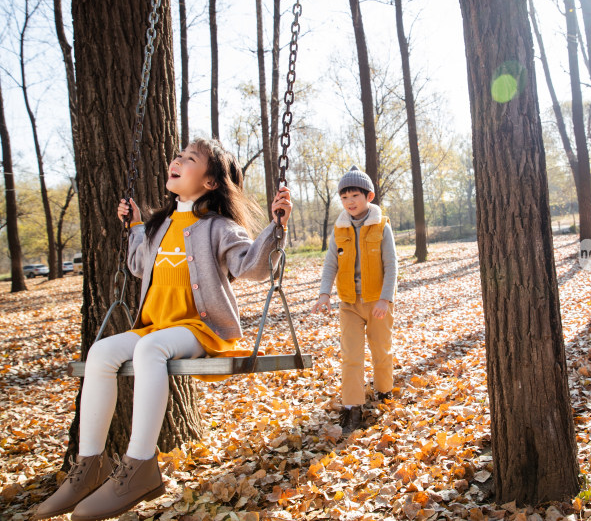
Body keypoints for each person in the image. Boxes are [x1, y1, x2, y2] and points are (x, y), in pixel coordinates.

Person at [34, 138, 292, 520]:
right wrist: (136, 225)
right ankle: (90, 465)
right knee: (100, 353)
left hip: (200, 328)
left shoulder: (219, 227)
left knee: (149, 349)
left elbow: (252, 267)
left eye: (191, 159)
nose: (178, 160)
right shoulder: (160, 224)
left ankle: (140, 465)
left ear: (210, 183)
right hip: (156, 326)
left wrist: (276, 227)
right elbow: (140, 267)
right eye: (179, 155)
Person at [311, 166, 398, 434]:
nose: (350, 201)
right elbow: (330, 264)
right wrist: (324, 294)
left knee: (381, 350)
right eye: (344, 197)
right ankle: (352, 407)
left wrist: (385, 299)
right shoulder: (339, 229)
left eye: (354, 196)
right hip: (348, 303)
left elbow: (392, 265)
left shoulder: (381, 226)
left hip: (377, 303)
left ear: (368, 196)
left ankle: (383, 391)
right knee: (351, 355)